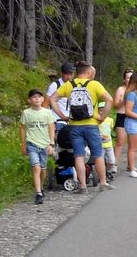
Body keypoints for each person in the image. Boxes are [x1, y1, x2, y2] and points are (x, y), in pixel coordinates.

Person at [49, 62, 114, 193]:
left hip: (74, 126)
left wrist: (63, 116)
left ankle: (83, 186)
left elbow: (52, 99)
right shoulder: (94, 84)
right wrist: (102, 116)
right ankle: (103, 183)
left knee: (78, 155)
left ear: (77, 72)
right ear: (89, 72)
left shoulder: (68, 85)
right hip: (91, 124)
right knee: (97, 154)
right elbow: (109, 100)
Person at [19, 89, 56, 205]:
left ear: (43, 99)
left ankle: (41, 187)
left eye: (39, 97)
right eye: (34, 97)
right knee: (36, 167)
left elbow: (51, 128)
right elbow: (23, 128)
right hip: (32, 144)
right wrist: (23, 144)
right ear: (29, 100)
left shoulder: (47, 113)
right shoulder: (26, 113)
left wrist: (51, 143)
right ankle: (38, 193)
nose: (37, 99)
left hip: (44, 144)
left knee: (43, 169)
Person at [112, 69, 134, 176]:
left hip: (133, 117)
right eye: (128, 77)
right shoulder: (120, 90)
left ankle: (131, 164)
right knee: (120, 142)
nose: (130, 79)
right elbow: (115, 105)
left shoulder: (136, 90)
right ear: (124, 79)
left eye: (131, 77)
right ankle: (114, 164)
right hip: (122, 116)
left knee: (132, 143)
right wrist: (123, 101)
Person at [98, 103, 117, 180]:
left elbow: (111, 129)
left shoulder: (110, 120)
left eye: (104, 110)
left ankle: (108, 171)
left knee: (112, 161)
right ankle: (102, 175)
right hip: (100, 145)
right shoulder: (97, 120)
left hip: (109, 144)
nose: (102, 112)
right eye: (100, 110)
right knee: (101, 161)